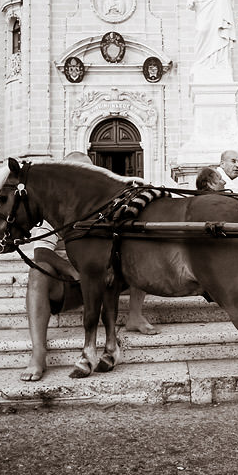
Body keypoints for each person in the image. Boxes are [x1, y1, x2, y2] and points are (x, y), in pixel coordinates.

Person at [21, 151, 157, 382]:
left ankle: (135, 315)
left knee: (134, 249)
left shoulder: (106, 205)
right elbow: (41, 252)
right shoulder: (51, 209)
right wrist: (75, 271)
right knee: (36, 273)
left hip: (106, 278)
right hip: (70, 281)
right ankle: (38, 352)